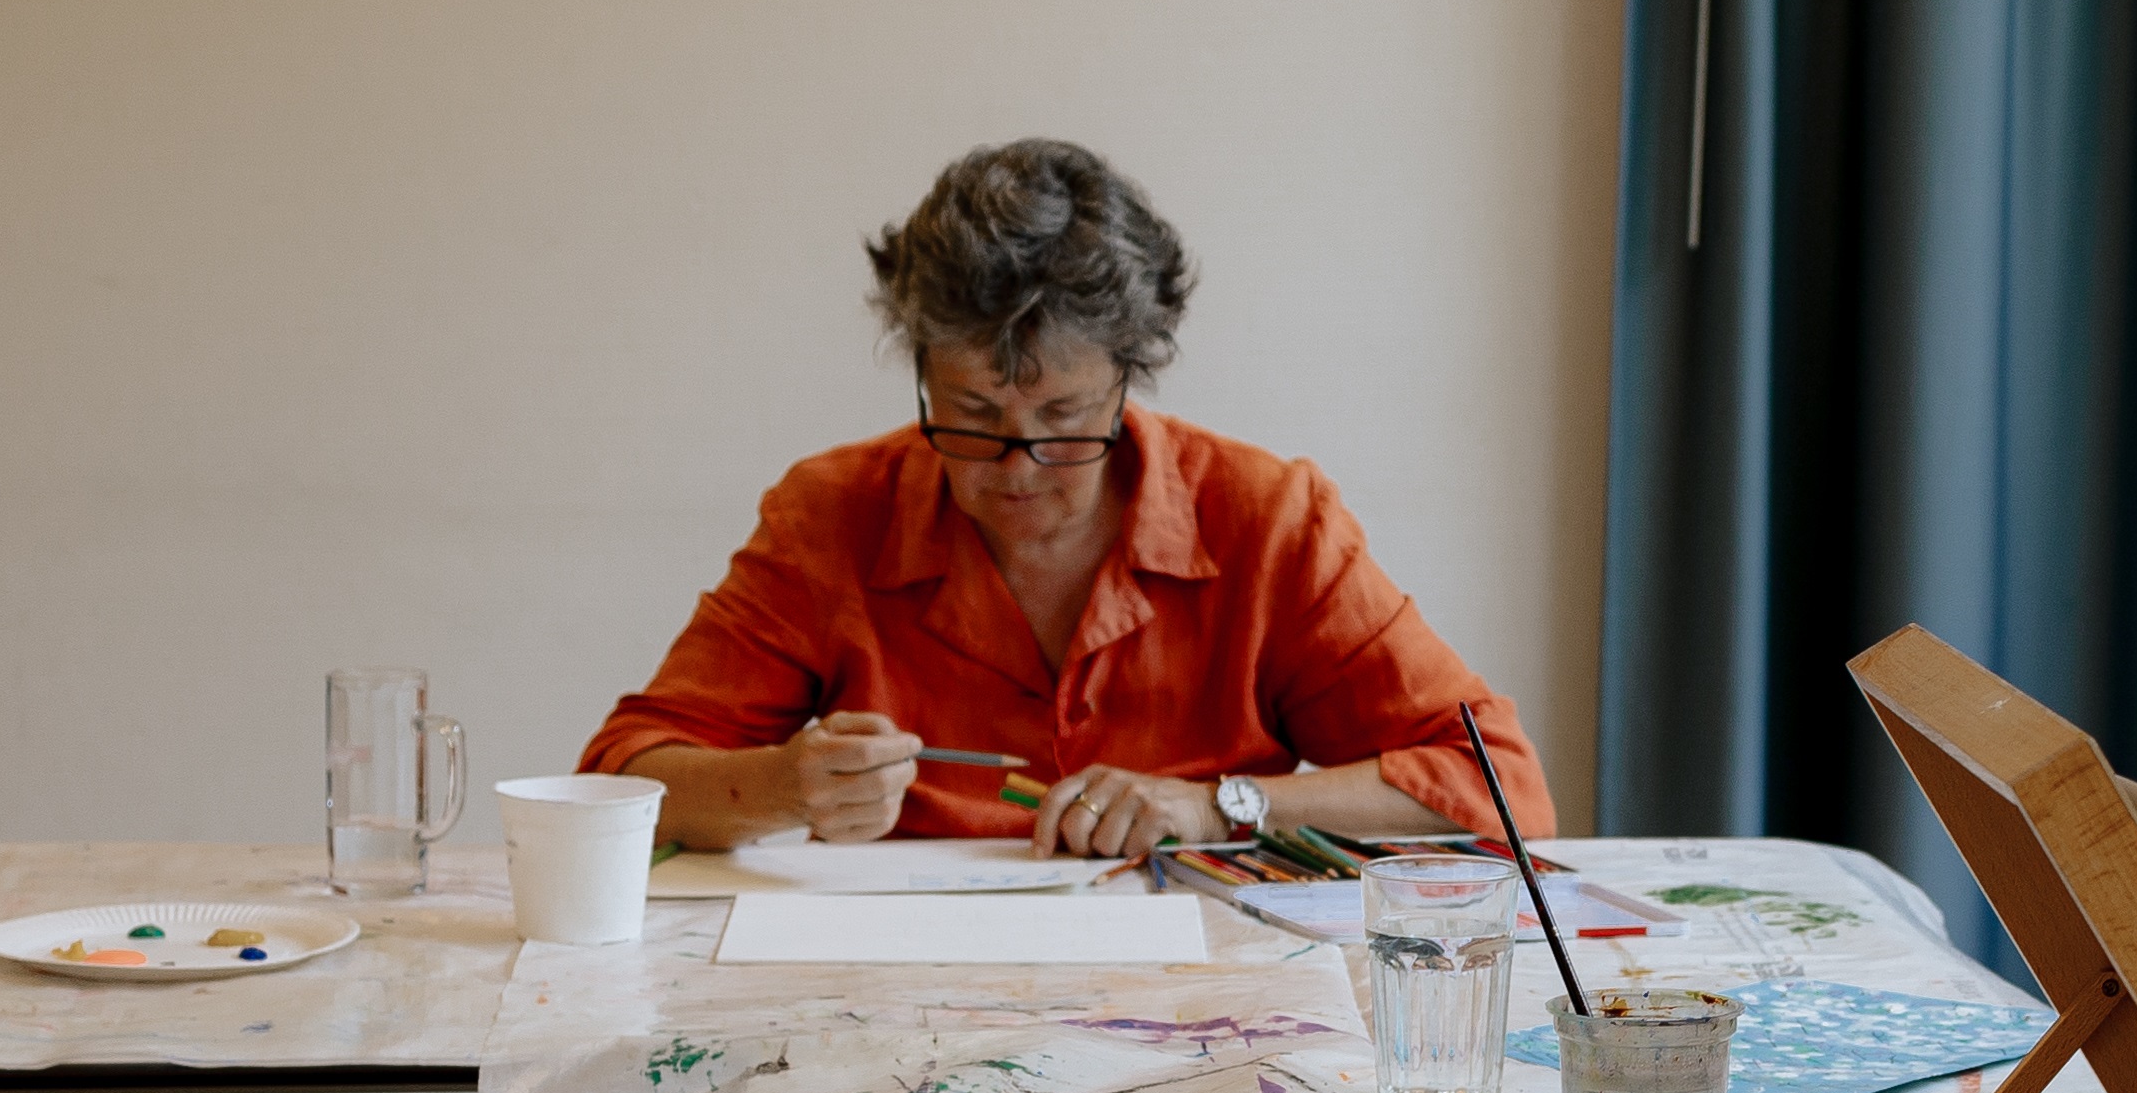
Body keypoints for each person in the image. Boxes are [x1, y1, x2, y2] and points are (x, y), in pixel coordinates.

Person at [583, 140, 1549, 860]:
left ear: (1128, 380)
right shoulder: (833, 513)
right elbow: (616, 780)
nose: (1019, 465)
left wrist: (1217, 806)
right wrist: (781, 785)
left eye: (1064, 416)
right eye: (972, 414)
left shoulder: (1266, 520)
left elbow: (1499, 786)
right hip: (911, 999)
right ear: (921, 373)